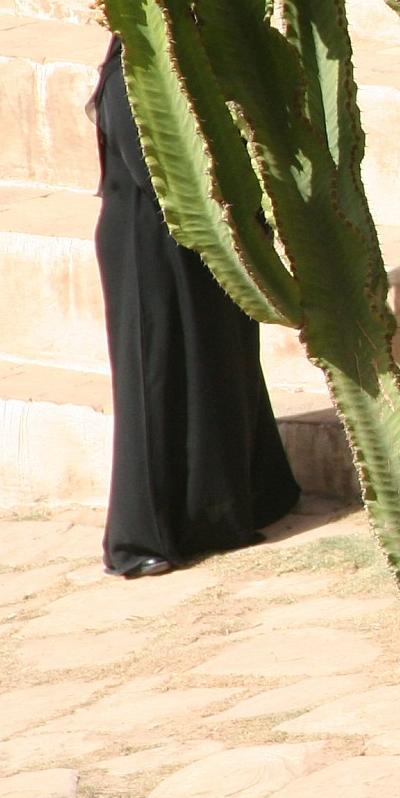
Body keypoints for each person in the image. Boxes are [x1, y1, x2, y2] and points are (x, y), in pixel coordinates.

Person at [91, 38, 301, 577]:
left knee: (222, 364)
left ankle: (240, 501)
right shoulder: (131, 74)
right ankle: (143, 538)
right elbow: (153, 171)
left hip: (206, 235)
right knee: (155, 379)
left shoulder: (194, 60)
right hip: (151, 246)